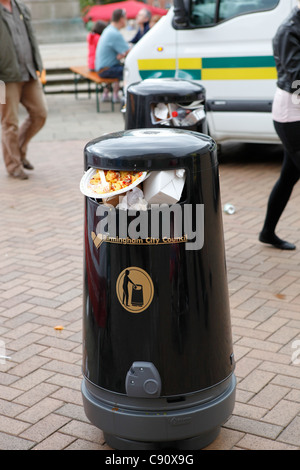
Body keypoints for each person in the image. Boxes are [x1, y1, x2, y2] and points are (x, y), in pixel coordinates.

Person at [259, 2, 300, 251]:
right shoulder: (289, 30)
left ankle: (267, 232)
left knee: (288, 177)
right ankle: (267, 231)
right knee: (289, 176)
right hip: (291, 116)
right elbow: (296, 79)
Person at [0, 0, 47, 180]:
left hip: (28, 72)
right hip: (5, 78)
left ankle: (17, 151)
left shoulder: (21, 7)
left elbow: (31, 37)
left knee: (40, 113)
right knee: (9, 122)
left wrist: (38, 63)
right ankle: (14, 165)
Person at [95, 8, 130, 103]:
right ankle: (128, 98)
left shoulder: (108, 30)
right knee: (130, 71)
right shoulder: (114, 33)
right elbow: (129, 51)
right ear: (122, 19)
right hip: (106, 70)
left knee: (123, 68)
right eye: (125, 18)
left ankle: (110, 94)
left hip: (102, 68)